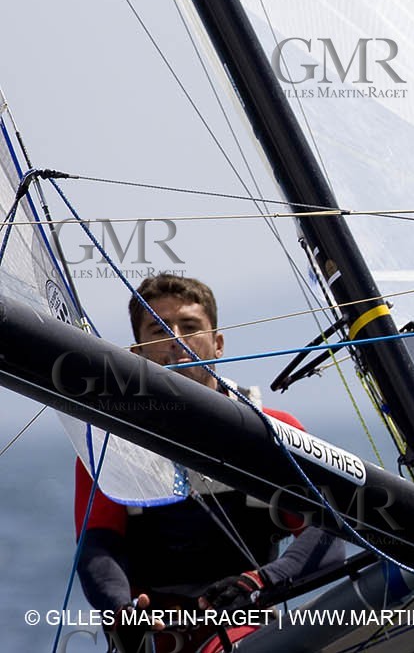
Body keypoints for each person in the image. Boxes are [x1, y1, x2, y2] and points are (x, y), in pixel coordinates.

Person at [72, 273, 341, 653]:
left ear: (218, 344)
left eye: (190, 326)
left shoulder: (274, 432)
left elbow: (324, 535)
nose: (177, 339)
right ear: (138, 353)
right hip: (156, 635)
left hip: (246, 631)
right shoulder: (109, 444)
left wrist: (260, 582)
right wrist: (120, 610)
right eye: (159, 328)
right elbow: (98, 547)